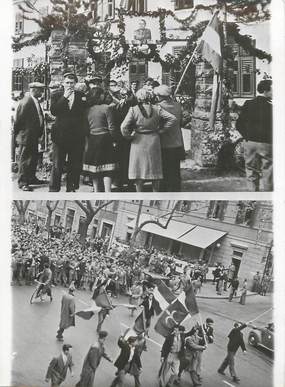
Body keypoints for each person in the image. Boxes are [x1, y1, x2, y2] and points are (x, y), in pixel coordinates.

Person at [121, 88, 177, 192]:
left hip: (138, 141)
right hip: (153, 140)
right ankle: (155, 193)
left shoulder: (133, 109)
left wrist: (129, 136)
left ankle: (140, 193)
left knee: (138, 169)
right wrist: (162, 130)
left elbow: (123, 127)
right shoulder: (157, 108)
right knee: (155, 169)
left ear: (138, 98)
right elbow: (172, 118)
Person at [49, 72, 89, 192]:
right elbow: (54, 111)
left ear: (75, 83)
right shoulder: (56, 95)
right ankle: (54, 188)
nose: (69, 85)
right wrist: (64, 97)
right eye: (67, 82)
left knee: (75, 164)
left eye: (72, 83)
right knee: (57, 164)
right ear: (63, 83)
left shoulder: (81, 95)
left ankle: (71, 187)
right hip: (60, 136)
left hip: (76, 137)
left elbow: (84, 114)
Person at [236, 79, 272, 191]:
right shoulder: (272, 107)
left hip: (250, 143)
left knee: (251, 173)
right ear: (266, 91)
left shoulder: (248, 104)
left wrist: (247, 137)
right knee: (268, 174)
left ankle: (252, 200)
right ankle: (268, 200)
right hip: (267, 144)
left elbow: (238, 124)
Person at [83, 87, 118, 192]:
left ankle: (96, 190)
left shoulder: (87, 110)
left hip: (92, 139)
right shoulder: (106, 108)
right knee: (108, 167)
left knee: (95, 166)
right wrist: (114, 140)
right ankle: (108, 191)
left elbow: (86, 128)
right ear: (99, 95)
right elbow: (111, 127)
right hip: (105, 139)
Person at [14, 82, 46, 191]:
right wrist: (18, 135)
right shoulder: (26, 101)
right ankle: (23, 182)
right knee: (25, 159)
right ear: (33, 90)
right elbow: (18, 120)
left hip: (32, 135)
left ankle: (31, 178)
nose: (42, 92)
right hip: (25, 136)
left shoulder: (34, 101)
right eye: (40, 90)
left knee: (33, 158)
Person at [154, 85, 185, 191]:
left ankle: (164, 190)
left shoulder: (158, 107)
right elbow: (181, 121)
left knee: (164, 169)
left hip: (164, 142)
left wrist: (161, 130)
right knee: (175, 169)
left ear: (160, 96)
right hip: (176, 141)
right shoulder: (178, 105)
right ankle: (176, 189)